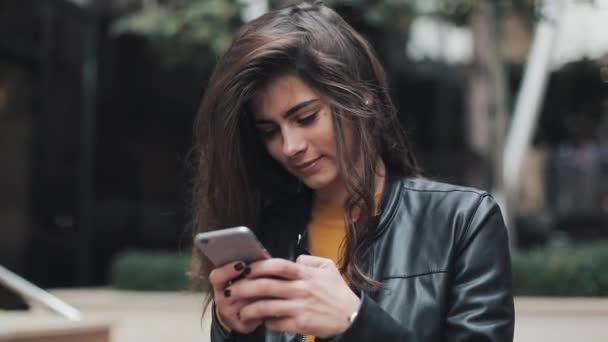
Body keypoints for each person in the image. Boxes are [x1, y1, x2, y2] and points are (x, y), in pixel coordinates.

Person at [190, 1, 514, 341]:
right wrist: (229, 327)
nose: (290, 146)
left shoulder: (461, 222)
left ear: (362, 98)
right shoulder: (269, 231)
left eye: (306, 118)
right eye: (270, 131)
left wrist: (355, 322)